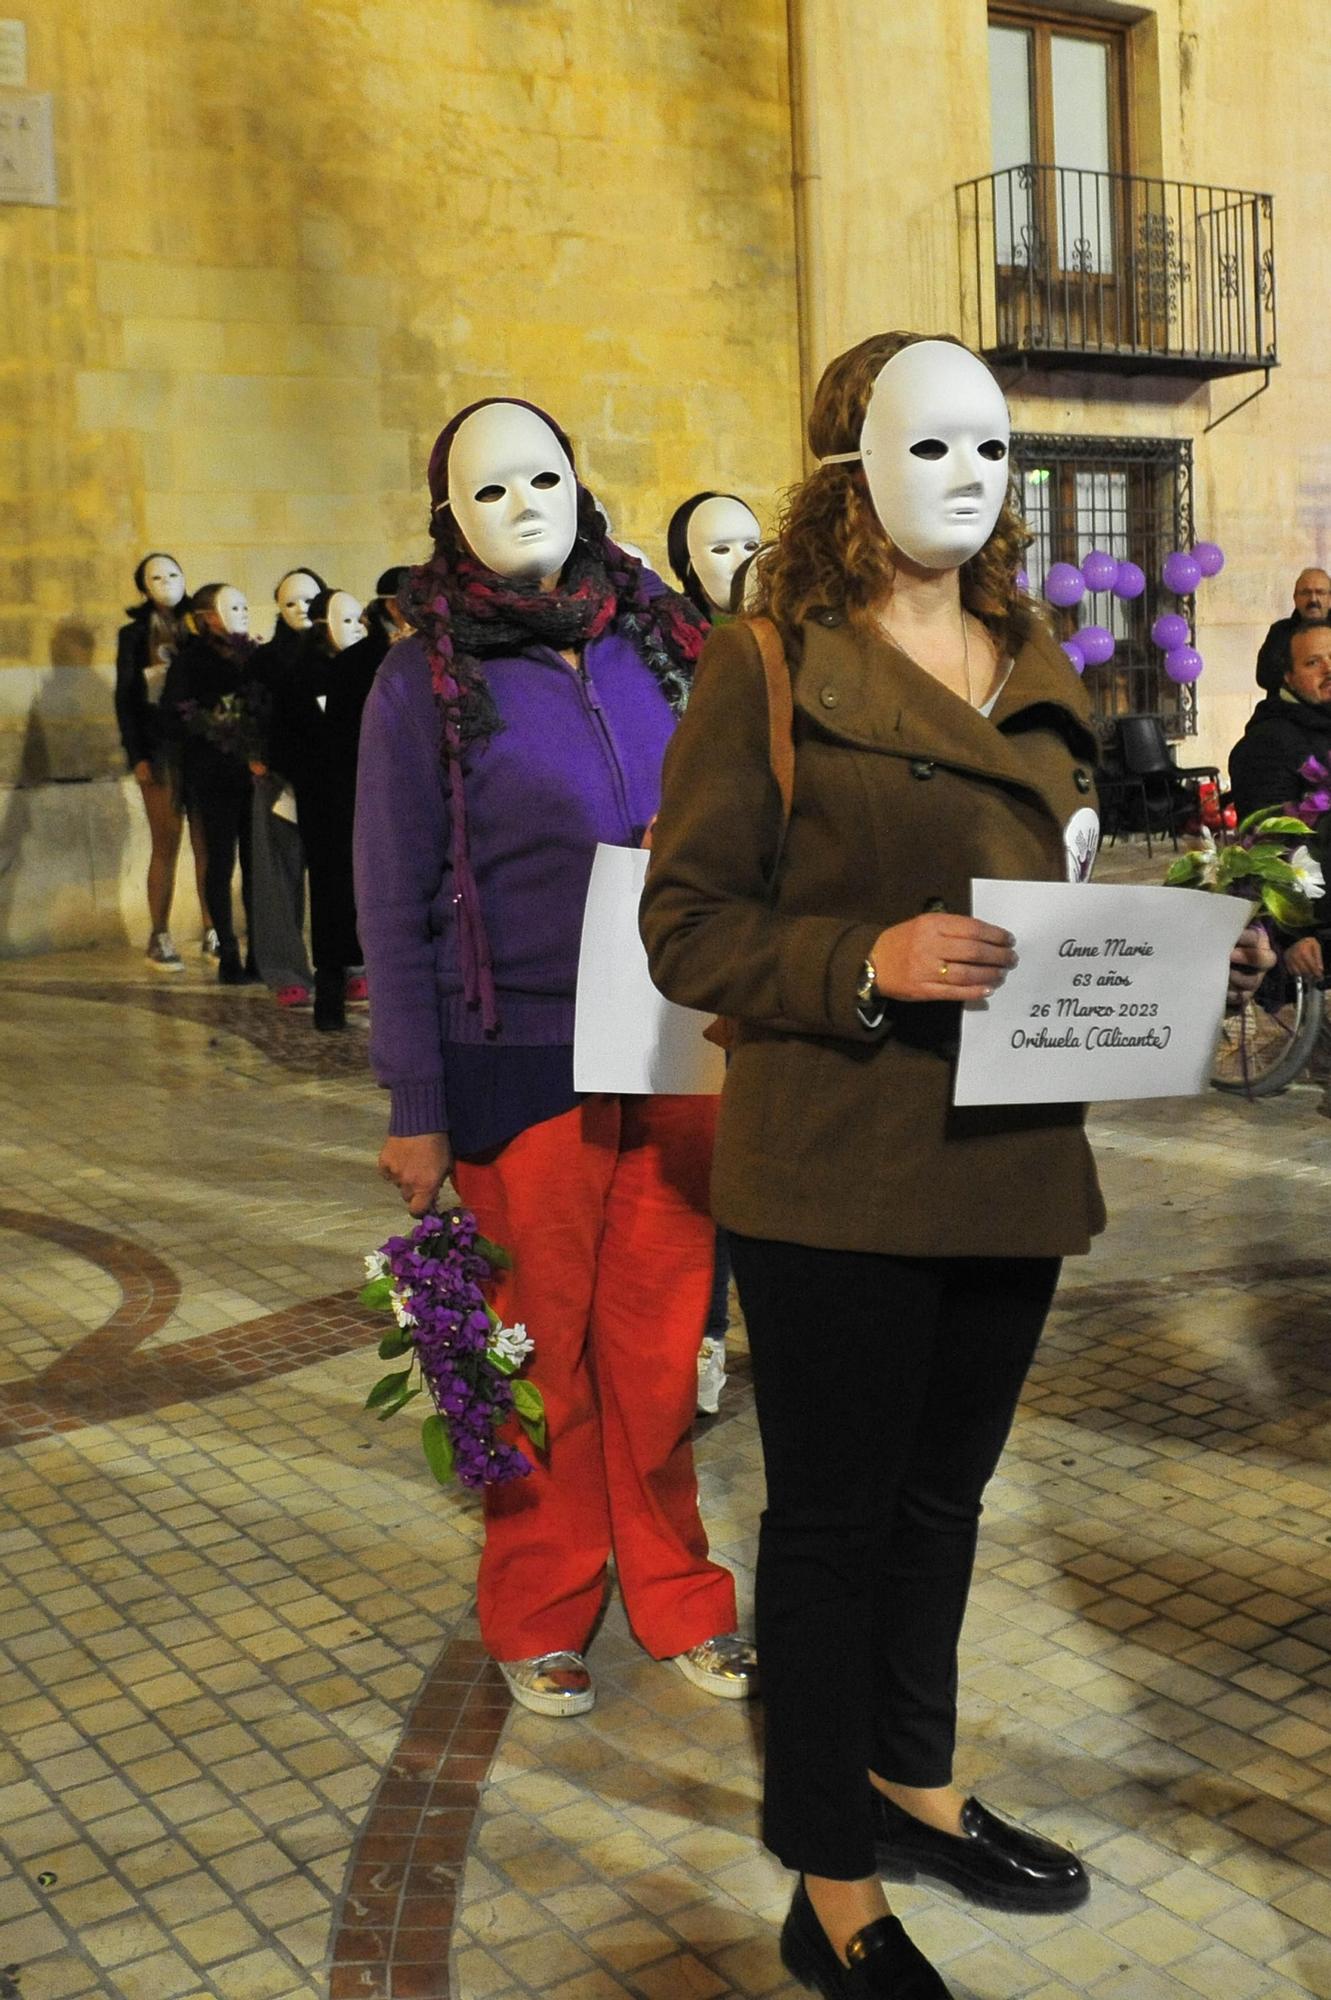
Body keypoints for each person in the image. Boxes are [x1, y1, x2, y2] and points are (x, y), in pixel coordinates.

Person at [641, 329, 1272, 1999]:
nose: (975, 475)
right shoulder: (770, 660)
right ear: (853, 461)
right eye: (939, 443)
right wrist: (867, 964)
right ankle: (826, 1877)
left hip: (1006, 1157)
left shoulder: (1032, 646)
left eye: (996, 447)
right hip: (838, 1158)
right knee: (836, 1522)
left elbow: (1059, 887)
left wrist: (1189, 972)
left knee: (943, 1499)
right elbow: (687, 928)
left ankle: (910, 1787)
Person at [354, 395, 756, 1720]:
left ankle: (678, 1592)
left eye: (542, 479)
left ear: (580, 489)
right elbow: (393, 897)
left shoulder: (656, 640)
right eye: (488, 490)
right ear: (447, 521)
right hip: (514, 1054)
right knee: (534, 1355)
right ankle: (539, 1602)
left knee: (653, 1357)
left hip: (669, 1041)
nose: (522, 504)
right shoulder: (422, 680)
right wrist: (415, 1106)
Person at [265, 589, 368, 1031]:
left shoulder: (366, 671)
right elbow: (283, 741)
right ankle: (331, 989)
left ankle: (359, 972)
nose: (357, 630)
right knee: (329, 892)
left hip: (361, 799)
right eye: (345, 622)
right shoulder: (299, 677)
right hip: (323, 805)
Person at [114, 552, 210, 969]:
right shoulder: (134, 635)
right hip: (159, 748)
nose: (167, 582)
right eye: (157, 576)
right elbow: (126, 698)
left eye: (174, 573)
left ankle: (213, 930)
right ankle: (160, 933)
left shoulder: (198, 625)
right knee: (165, 843)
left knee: (208, 844)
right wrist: (137, 755)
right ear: (144, 585)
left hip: (199, 747)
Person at [163, 584, 262, 986]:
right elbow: (173, 717)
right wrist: (211, 726)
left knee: (257, 867)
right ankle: (227, 950)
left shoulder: (252, 657)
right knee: (220, 863)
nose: (237, 615)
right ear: (206, 617)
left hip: (251, 775)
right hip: (212, 776)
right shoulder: (190, 663)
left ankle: (259, 951)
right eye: (227, 608)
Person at [247, 568, 328, 1009]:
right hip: (280, 781)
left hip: (332, 781)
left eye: (308, 601)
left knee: (338, 875)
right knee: (279, 876)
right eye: (290, 602)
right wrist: (257, 756)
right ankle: (285, 969)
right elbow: (250, 712)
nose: (300, 611)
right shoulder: (265, 661)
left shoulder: (338, 652)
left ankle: (348, 963)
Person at [1255, 567, 1331, 691]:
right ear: (1295, 598)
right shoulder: (1280, 632)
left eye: (1320, 592)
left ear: (1330, 598)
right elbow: (1265, 677)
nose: (1313, 599)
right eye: (1306, 593)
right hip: (1288, 708)